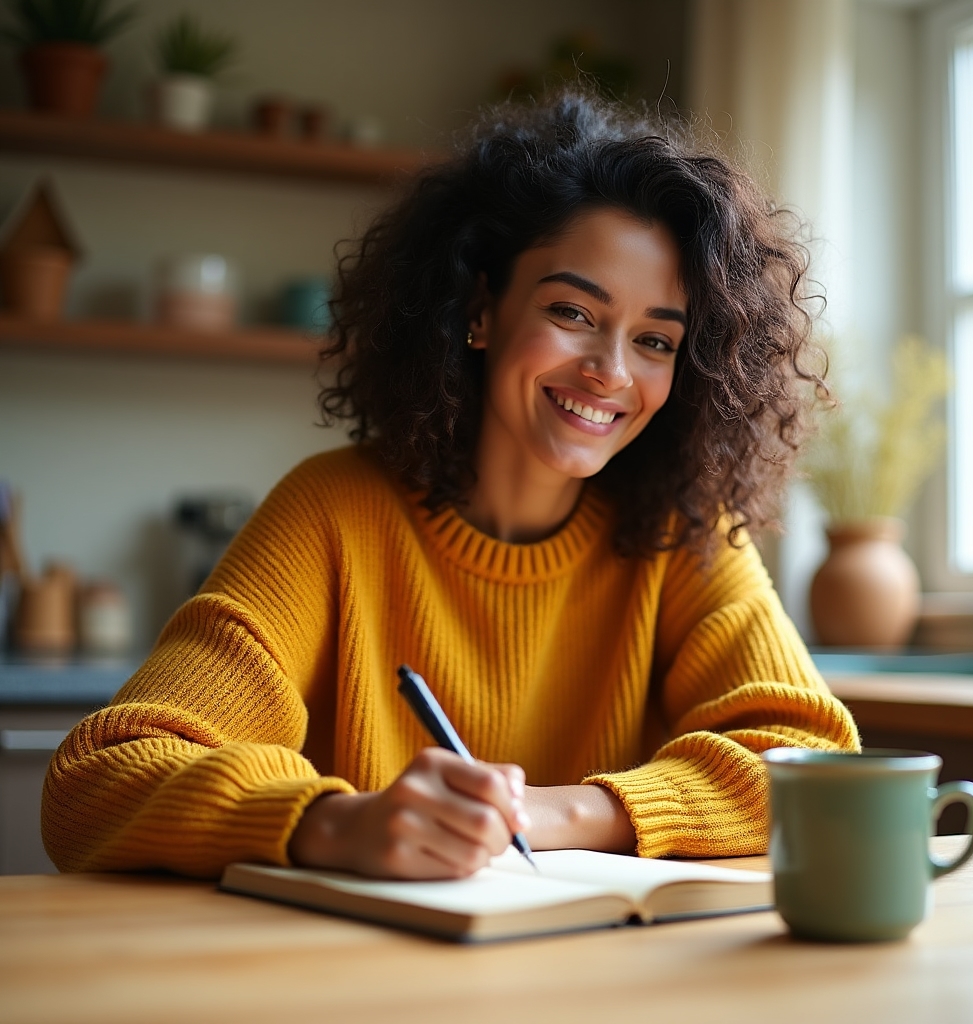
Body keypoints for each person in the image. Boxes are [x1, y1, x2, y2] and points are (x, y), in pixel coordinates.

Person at [42, 88, 858, 881]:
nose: (611, 373)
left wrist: (553, 814)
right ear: (480, 306)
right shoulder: (332, 512)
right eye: (573, 313)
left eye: (655, 340)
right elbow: (98, 780)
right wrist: (335, 823)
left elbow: (814, 760)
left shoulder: (686, 533)